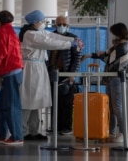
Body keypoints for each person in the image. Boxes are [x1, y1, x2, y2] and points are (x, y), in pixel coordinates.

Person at [19, 10, 82, 141]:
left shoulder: (38, 33)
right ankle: (22, 131)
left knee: (36, 102)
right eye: (42, 22)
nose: (44, 24)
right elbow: (49, 43)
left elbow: (53, 37)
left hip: (39, 67)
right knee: (28, 101)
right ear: (35, 22)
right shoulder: (30, 34)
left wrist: (72, 39)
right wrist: (70, 44)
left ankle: (34, 131)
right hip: (31, 69)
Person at [81, 22, 128, 143]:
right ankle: (112, 132)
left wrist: (97, 56)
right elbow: (105, 54)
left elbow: (110, 60)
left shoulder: (122, 47)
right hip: (111, 78)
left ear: (119, 33)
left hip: (116, 79)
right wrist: (89, 55)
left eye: (114, 33)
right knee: (112, 108)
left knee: (117, 108)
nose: (113, 36)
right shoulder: (117, 46)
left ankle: (123, 134)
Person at [0, 10, 24, 145]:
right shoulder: (11, 32)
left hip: (11, 73)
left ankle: (17, 136)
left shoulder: (2, 33)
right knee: (2, 104)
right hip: (12, 71)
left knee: (11, 105)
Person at [47, 15, 83, 135]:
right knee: (53, 101)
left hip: (66, 73)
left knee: (66, 101)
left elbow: (77, 58)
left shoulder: (74, 38)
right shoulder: (50, 37)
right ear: (55, 25)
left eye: (65, 24)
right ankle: (55, 126)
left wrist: (72, 74)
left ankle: (66, 127)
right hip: (53, 72)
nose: (62, 26)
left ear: (68, 26)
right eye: (59, 24)